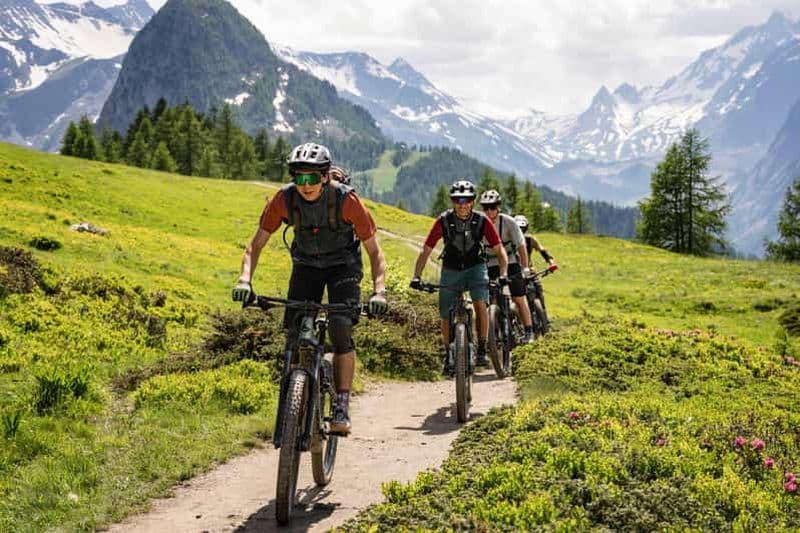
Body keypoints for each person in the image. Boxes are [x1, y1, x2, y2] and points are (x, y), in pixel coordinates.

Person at [232, 142, 388, 436]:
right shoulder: (283, 199)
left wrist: (379, 291)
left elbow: (375, 253)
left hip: (343, 265)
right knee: (294, 331)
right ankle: (293, 398)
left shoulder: (347, 201)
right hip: (305, 265)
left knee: (341, 328)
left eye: (312, 178)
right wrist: (244, 280)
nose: (305, 185)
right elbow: (255, 245)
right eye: (299, 178)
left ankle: (341, 402)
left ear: (326, 176)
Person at [411, 180, 508, 371]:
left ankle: (481, 348)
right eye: (457, 200)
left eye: (466, 200)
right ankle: (448, 354)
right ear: (452, 202)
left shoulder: (482, 221)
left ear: (472, 201)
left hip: (476, 268)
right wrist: (416, 276)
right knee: (446, 313)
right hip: (451, 270)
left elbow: (500, 250)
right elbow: (426, 250)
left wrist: (503, 273)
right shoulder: (443, 221)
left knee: (480, 303)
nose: (461, 204)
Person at [479, 190, 536, 343]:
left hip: (511, 263)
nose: (489, 211)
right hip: (489, 264)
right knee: (489, 300)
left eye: (492, 207)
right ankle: (493, 332)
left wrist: (524, 267)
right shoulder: (479, 223)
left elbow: (521, 246)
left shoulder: (508, 222)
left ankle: (529, 331)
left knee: (518, 297)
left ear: (499, 207)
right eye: (485, 208)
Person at [514, 214, 557, 323]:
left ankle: (544, 315)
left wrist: (551, 263)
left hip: (530, 273)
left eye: (522, 229)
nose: (520, 232)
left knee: (538, 289)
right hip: (515, 274)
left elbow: (543, 251)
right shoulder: (509, 240)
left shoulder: (530, 239)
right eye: (518, 229)